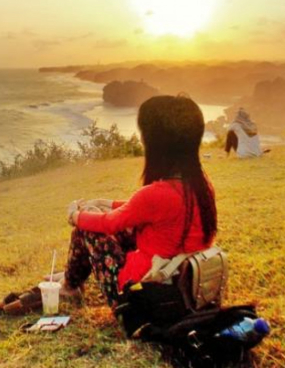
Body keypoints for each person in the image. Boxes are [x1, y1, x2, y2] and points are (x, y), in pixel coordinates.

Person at [61, 95, 218, 311]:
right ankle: (73, 275)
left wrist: (74, 215)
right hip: (182, 283)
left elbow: (109, 224)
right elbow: (143, 210)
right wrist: (106, 202)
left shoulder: (156, 194)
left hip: (138, 294)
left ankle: (70, 286)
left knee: (87, 227)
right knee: (96, 214)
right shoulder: (200, 186)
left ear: (157, 144)